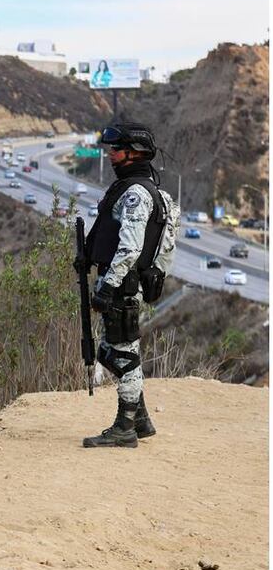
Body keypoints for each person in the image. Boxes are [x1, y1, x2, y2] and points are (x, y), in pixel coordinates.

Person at [74, 122, 180, 448]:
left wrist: (109, 285)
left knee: (120, 354)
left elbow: (131, 248)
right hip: (127, 284)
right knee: (119, 351)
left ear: (134, 154)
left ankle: (125, 427)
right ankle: (141, 419)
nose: (111, 154)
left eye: (116, 150)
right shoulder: (156, 193)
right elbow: (169, 247)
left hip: (121, 286)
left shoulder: (135, 194)